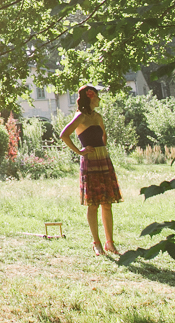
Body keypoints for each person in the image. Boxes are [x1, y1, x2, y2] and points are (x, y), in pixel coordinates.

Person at [60, 84, 122, 256]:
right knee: (93, 204)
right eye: (96, 96)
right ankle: (97, 243)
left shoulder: (98, 117)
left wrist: (102, 147)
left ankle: (110, 243)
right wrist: (80, 151)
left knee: (107, 203)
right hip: (90, 161)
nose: (99, 99)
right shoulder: (80, 117)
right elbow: (64, 135)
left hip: (103, 159)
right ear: (90, 98)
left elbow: (104, 137)